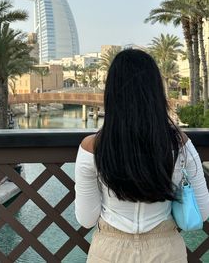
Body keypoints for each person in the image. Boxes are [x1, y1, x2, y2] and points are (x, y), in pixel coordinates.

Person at [75, 49, 209, 263]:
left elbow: (86, 219)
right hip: (166, 250)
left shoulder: (93, 147)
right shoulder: (179, 144)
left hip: (109, 250)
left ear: (111, 94)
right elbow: (201, 213)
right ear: (156, 92)